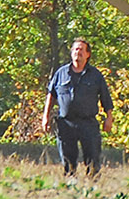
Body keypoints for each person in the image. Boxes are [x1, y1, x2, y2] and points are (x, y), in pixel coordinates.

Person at [41, 38, 114, 177]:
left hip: (88, 123)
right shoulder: (61, 73)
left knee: (92, 159)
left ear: (88, 54)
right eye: (75, 49)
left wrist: (109, 118)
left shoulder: (95, 75)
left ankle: (93, 188)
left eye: (81, 50)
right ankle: (70, 186)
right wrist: (46, 117)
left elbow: (105, 98)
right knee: (68, 161)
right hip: (66, 123)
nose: (78, 52)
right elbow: (51, 95)